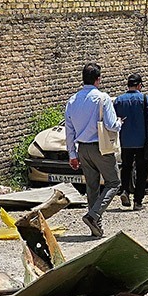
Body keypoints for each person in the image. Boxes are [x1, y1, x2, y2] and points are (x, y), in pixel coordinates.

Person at [65, 63, 121, 237]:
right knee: (114, 183)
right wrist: (120, 123)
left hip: (82, 148)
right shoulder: (102, 98)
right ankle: (94, 215)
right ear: (98, 79)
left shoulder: (72, 100)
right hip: (101, 147)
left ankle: (95, 226)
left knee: (92, 187)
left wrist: (72, 155)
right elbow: (111, 125)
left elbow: (69, 131)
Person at [114, 73, 148, 210]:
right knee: (141, 170)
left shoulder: (119, 100)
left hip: (125, 141)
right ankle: (138, 201)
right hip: (142, 141)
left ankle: (125, 190)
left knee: (126, 167)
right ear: (139, 85)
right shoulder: (144, 99)